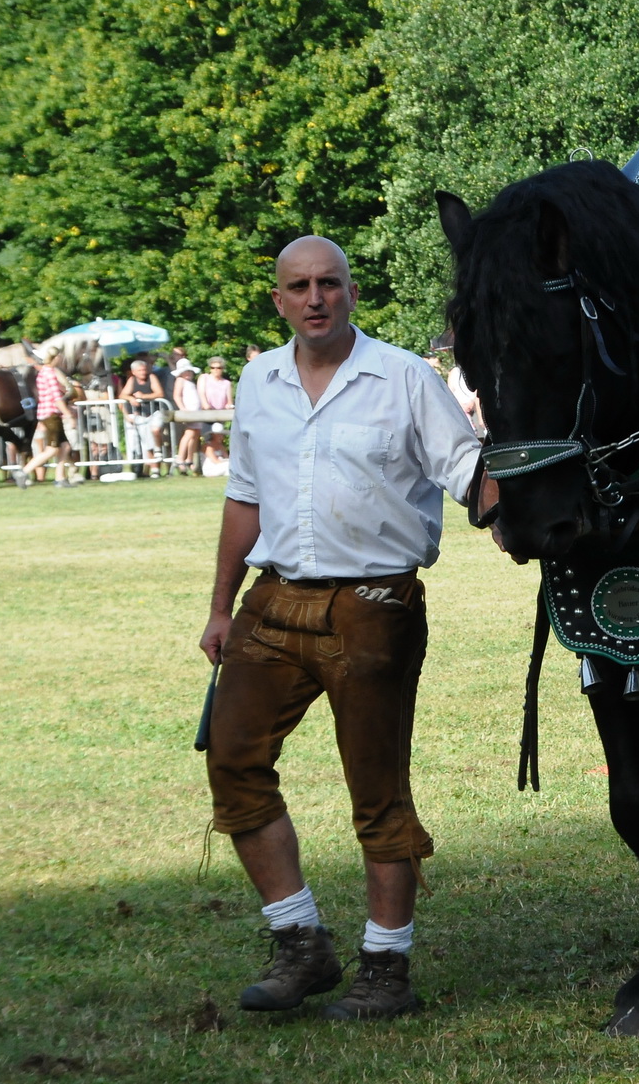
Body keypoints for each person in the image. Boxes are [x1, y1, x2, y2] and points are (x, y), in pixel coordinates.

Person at [198, 235, 480, 1021]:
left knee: (377, 794)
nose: (316, 297)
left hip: (374, 607)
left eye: (330, 283)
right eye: (300, 286)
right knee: (233, 759)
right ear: (280, 299)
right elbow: (243, 500)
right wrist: (222, 606)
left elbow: (467, 474)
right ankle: (301, 945)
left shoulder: (404, 379)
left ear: (352, 292)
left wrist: (520, 514)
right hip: (274, 598)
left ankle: (386, 968)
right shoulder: (257, 379)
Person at [21, 348, 76, 486]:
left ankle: (60, 478)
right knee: (52, 449)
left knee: (65, 446)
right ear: (55, 357)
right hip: (51, 414)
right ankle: (24, 471)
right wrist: (69, 415)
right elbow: (56, 398)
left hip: (48, 413)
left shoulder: (43, 372)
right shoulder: (50, 373)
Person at [122, 357, 167, 476]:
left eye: (144, 370)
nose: (143, 372)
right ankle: (155, 471)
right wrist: (131, 398)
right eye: (140, 370)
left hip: (154, 412)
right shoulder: (132, 380)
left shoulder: (152, 378)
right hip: (141, 415)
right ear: (134, 372)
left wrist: (143, 396)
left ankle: (158, 450)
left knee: (155, 429)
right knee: (147, 443)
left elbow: (160, 393)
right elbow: (123, 395)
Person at [197, 356, 234, 474]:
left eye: (219, 368)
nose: (216, 370)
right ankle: (204, 464)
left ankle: (220, 461)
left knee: (218, 438)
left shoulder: (226, 383)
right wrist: (205, 404)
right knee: (207, 438)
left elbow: (229, 401)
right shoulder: (204, 378)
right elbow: (201, 393)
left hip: (220, 414)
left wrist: (229, 406)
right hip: (207, 413)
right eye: (213, 367)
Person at [172, 358, 203, 474]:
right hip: (188, 411)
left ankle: (189, 458)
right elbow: (177, 396)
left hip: (196, 411)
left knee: (195, 434)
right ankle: (180, 458)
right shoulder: (180, 381)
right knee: (189, 433)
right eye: (186, 371)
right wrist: (183, 408)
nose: (189, 373)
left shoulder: (190, 382)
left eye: (190, 371)